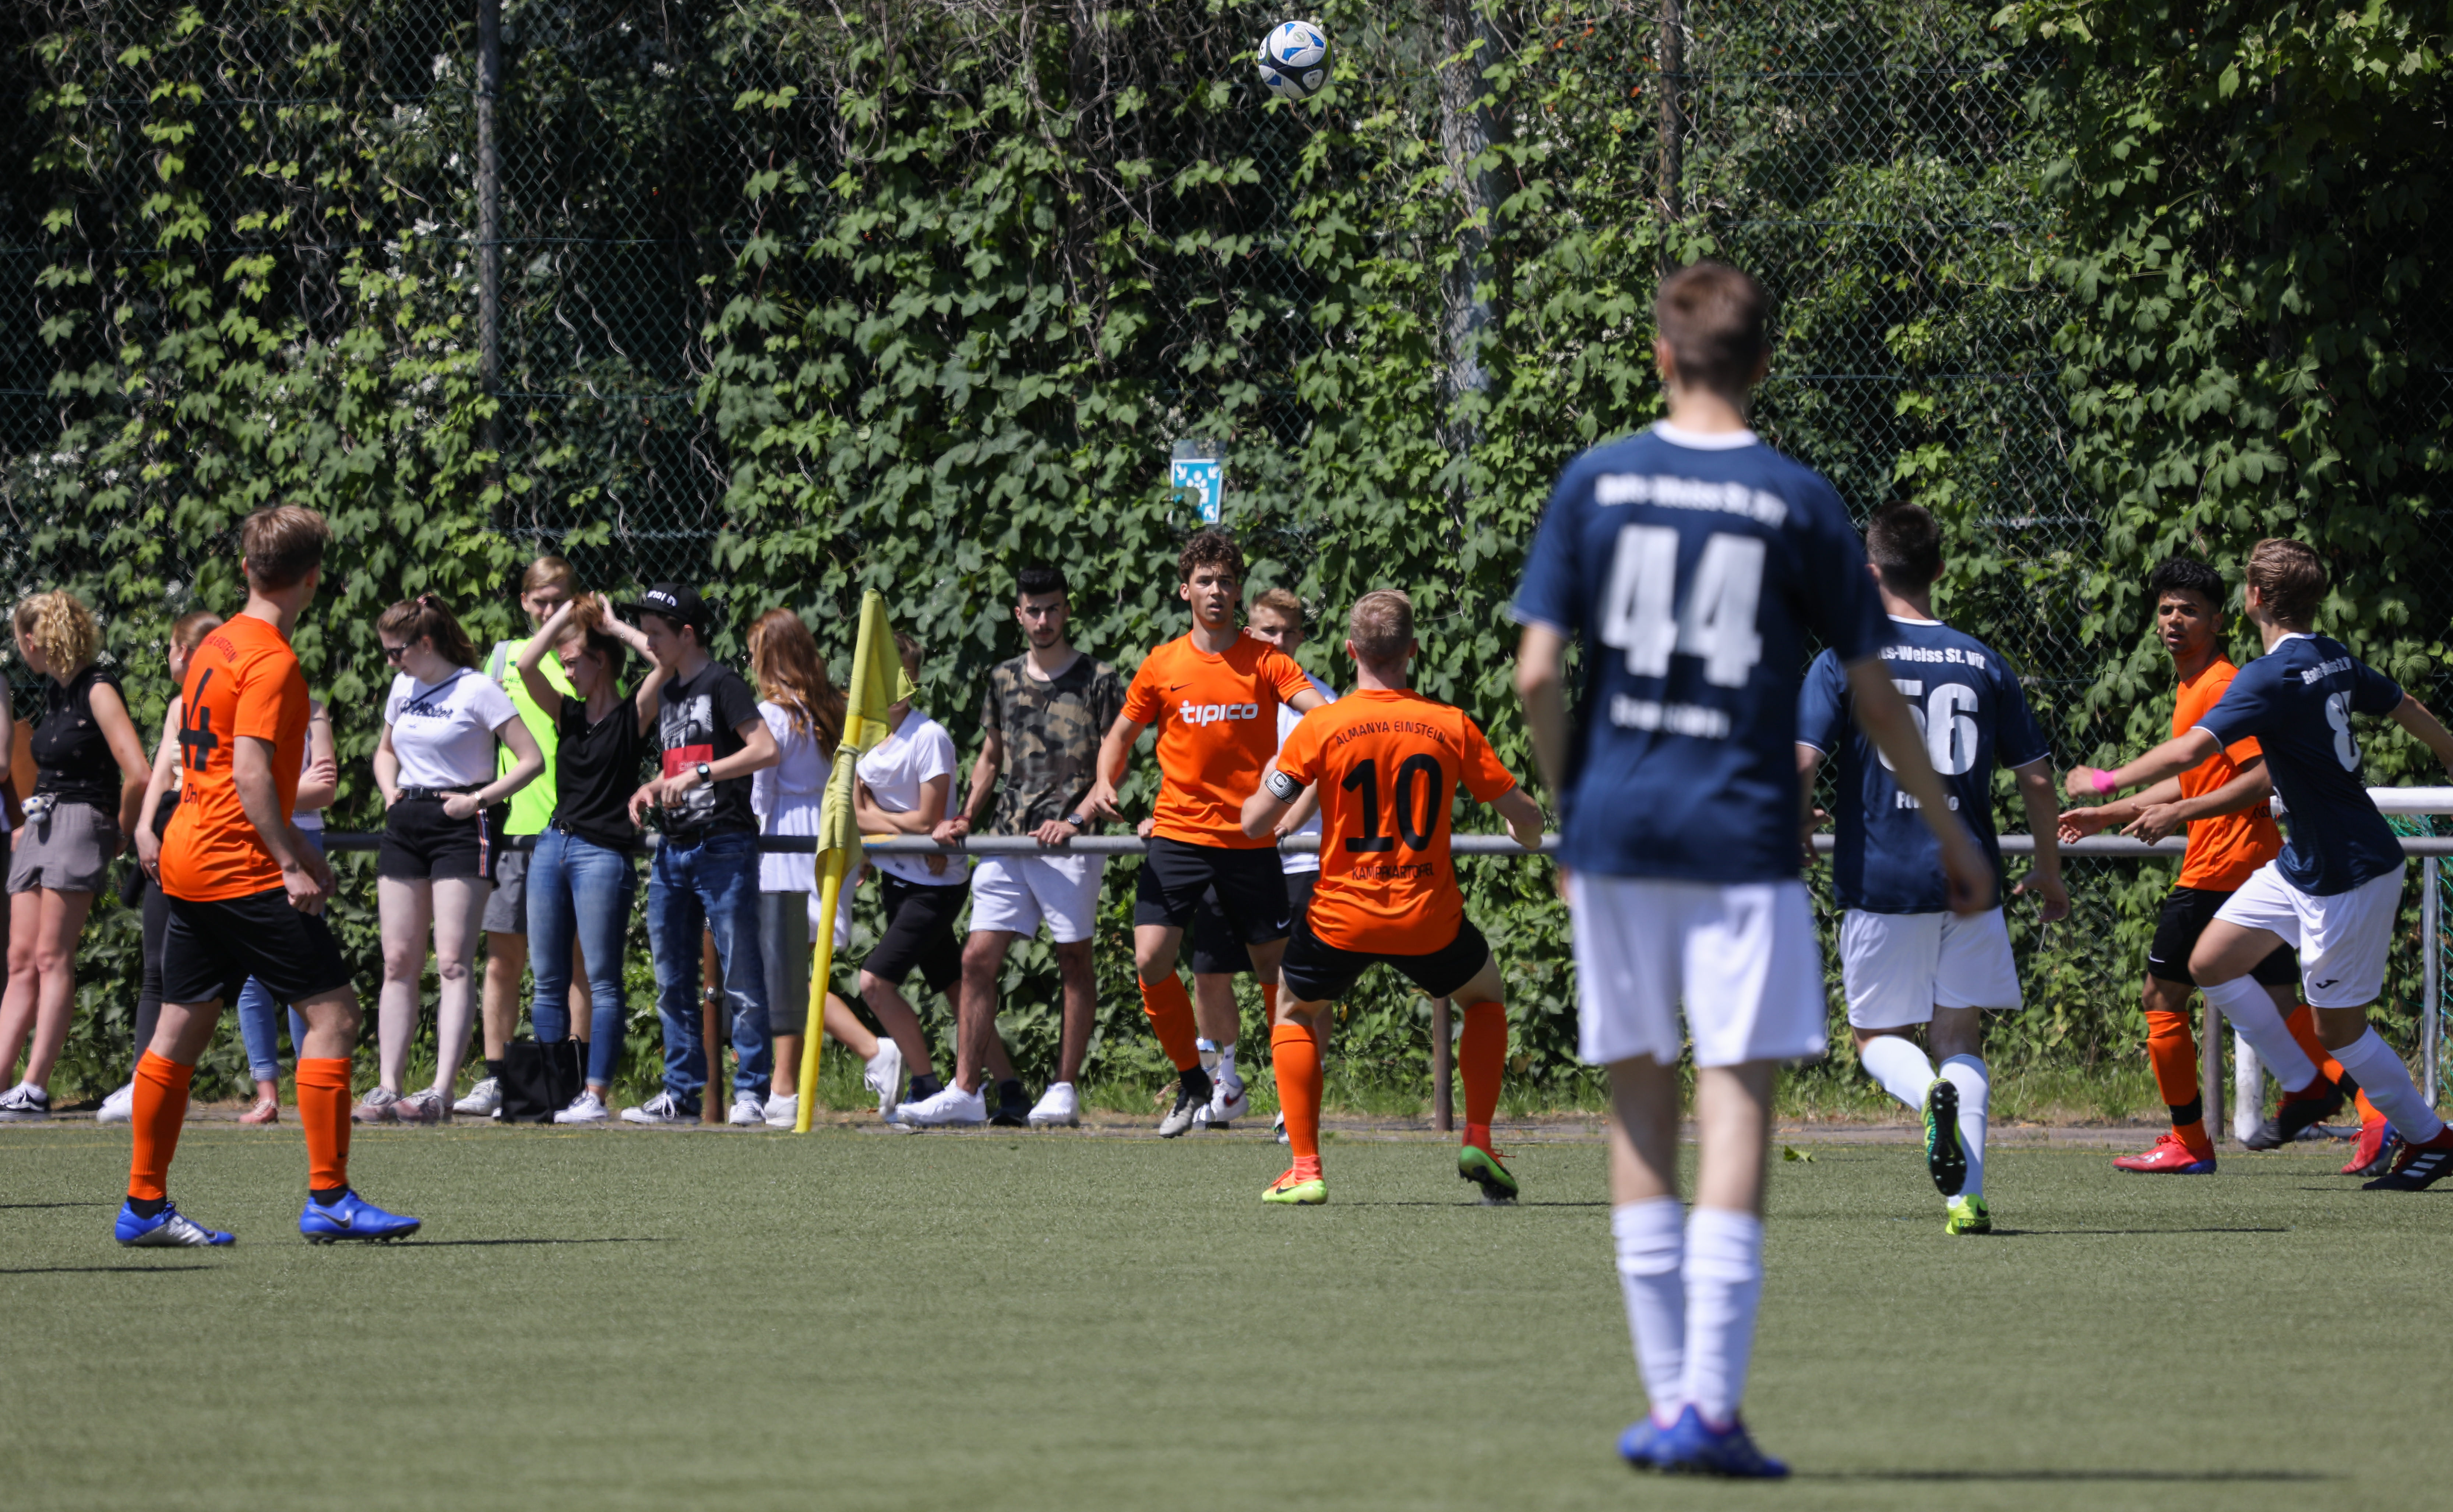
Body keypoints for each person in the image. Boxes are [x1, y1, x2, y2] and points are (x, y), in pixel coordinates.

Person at [1513, 261, 1991, 1477]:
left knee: (1638, 1100)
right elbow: (1873, 695)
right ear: (1763, 363)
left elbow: (1535, 674)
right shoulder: (1797, 498)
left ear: (1660, 356)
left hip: (1619, 833)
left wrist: (1571, 816)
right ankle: (1712, 1407)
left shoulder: (1596, 479)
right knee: (1733, 1099)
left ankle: (1664, 1398)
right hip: (1741, 836)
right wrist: (1950, 831)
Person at [2066, 537, 2453, 1191]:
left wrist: (2104, 780)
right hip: (2302, 861)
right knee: (2210, 961)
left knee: (2339, 1030)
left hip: (2348, 872)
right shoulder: (2329, 656)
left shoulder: (2263, 677)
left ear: (2251, 599)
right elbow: (2403, 705)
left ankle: (2429, 1136)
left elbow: (2189, 753)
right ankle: (2304, 1084)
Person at [116, 502, 418, 1245]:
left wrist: (301, 851)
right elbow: (249, 774)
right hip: (238, 863)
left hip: (189, 856)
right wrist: (289, 860)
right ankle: (330, 1197)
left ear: (247, 568)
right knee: (334, 1015)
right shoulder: (274, 661)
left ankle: (144, 1206)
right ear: (312, 579)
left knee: (181, 1025)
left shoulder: (215, 642)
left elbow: (217, 767)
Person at [1795, 502, 2070, 1235]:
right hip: (1970, 878)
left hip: (1881, 877)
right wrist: (2047, 869)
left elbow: (1799, 762)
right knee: (1959, 1039)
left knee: (1875, 1039)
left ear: (1868, 574)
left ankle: (1925, 1098)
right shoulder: (1983, 661)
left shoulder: (1844, 658)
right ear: (1939, 570)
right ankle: (1965, 1200)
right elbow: (2036, 777)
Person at [1241, 590, 1545, 1203]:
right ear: (1413, 650)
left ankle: (1304, 1168)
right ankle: (1478, 1139)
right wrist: (1525, 832)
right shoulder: (1449, 724)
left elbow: (1254, 822)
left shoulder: (1321, 724)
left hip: (1340, 917)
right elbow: (1525, 817)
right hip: (1426, 918)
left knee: (1293, 1013)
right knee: (1484, 999)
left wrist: (1269, 782)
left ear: (1349, 650)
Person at [1086, 530, 1327, 1135]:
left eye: (1225, 580)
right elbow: (1120, 735)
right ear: (1184, 590)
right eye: (1204, 580)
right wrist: (1103, 781)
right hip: (1177, 835)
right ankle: (1193, 1082)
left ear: (1238, 590)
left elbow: (1320, 714)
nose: (1215, 590)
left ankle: (1291, 1101)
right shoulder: (1162, 664)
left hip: (1248, 841)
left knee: (1276, 972)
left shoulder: (1267, 660)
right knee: (1151, 959)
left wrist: (1307, 760)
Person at [929, 563, 1124, 1130]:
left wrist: (1077, 818)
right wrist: (966, 815)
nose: (1043, 620)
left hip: (1070, 844)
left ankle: (1063, 1089)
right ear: (1018, 614)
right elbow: (990, 757)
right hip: (1009, 836)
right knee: (976, 958)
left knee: (1073, 958)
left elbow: (1115, 761)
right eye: (1033, 610)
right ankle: (966, 1090)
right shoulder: (1002, 677)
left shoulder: (1099, 678)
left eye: (1052, 608)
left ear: (1067, 609)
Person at [356, 595, 544, 1124]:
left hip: (460, 823)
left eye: (397, 652)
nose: (390, 662)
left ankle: (440, 1090)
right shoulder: (402, 688)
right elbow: (386, 750)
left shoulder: (476, 688)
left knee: (453, 961)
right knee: (398, 960)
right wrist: (389, 791)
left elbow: (531, 759)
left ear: (425, 643)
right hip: (406, 821)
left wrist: (477, 800)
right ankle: (388, 1086)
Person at [621, 583, 780, 1126]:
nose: (648, 642)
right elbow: (680, 765)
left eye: (656, 633)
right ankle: (681, 1094)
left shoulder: (723, 684)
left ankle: (751, 1093)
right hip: (674, 847)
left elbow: (765, 749)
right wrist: (652, 786)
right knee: (671, 980)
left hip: (724, 844)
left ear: (687, 634)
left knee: (741, 976)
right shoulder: (667, 690)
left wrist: (700, 774)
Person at [743, 607, 905, 1128]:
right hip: (827, 832)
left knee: (788, 977)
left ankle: (871, 1049)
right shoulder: (831, 708)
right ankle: (783, 1089)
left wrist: (749, 841)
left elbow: (760, 792)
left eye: (755, 653)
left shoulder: (774, 714)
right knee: (792, 973)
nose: (751, 663)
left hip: (786, 840)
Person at [512, 595, 665, 1124]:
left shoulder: (632, 714)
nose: (567, 671)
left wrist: (614, 626)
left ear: (601, 661)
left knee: (602, 980)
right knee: (547, 979)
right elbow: (526, 664)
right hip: (553, 845)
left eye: (575, 661)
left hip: (602, 854)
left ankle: (595, 1094)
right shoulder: (568, 713)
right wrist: (566, 614)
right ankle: (552, 1092)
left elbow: (665, 662)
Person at [857, 633, 1020, 1128]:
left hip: (934, 884)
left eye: (904, 677)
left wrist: (874, 819)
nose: (894, 689)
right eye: (884, 676)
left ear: (915, 680)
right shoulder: (862, 737)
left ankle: (925, 1083)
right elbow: (852, 810)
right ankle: (1011, 1090)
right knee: (956, 989)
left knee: (874, 983)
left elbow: (928, 818)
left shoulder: (929, 736)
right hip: (896, 879)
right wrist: (888, 832)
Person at [0, 590, 151, 1121]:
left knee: (51, 957)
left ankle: (35, 1088)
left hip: (81, 820)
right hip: (40, 824)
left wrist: (121, 831)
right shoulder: (56, 689)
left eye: (20, 640)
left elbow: (139, 773)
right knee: (20, 959)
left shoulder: (98, 688)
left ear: (33, 639)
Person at [1191, 586, 1335, 1132]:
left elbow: (1324, 772)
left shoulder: (1318, 699)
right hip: (1225, 854)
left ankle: (1296, 1098)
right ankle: (1225, 1085)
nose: (1278, 641)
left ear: (1300, 637)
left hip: (1298, 861)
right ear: (1248, 632)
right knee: (1209, 973)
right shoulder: (1220, 688)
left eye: (1288, 632)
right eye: (1267, 631)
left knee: (1299, 985)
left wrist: (1288, 823)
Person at [457, 555, 588, 1118]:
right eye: (540, 600)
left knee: (574, 962)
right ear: (524, 602)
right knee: (502, 959)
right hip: (513, 829)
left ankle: (575, 1081)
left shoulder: (586, 655)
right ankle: (498, 1078)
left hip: (574, 827)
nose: (549, 610)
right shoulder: (502, 656)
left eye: (559, 600)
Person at [99, 610, 225, 1126]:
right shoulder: (179, 705)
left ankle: (174, 1080)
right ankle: (143, 1081)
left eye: (173, 647)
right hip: (171, 835)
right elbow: (159, 776)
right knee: (155, 965)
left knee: (193, 970)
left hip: (211, 839)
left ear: (188, 652)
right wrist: (144, 829)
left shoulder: (230, 700)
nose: (169, 656)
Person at [230, 697, 337, 1122]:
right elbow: (238, 787)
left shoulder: (312, 709)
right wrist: (287, 789)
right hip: (251, 842)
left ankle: (309, 1087)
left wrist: (267, 790)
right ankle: (267, 1094)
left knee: (305, 969)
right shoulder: (243, 707)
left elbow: (325, 790)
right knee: (251, 974)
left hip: (306, 841)